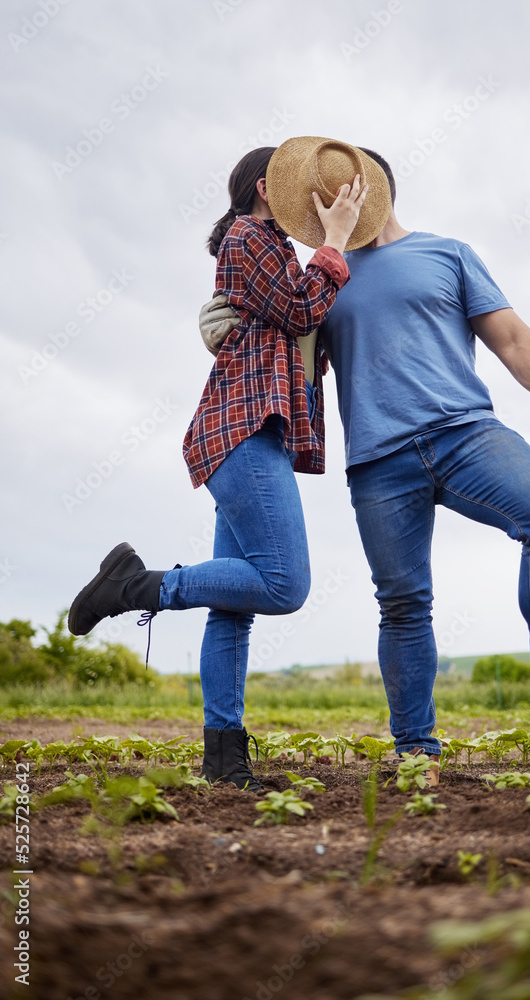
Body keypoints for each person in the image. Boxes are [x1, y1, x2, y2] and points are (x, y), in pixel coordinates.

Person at [200, 139, 530, 787]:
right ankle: (415, 750)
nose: (320, 209)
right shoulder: (321, 276)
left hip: (465, 434)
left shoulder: (446, 254)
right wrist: (235, 336)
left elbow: (511, 337)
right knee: (403, 604)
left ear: (368, 188)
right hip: (379, 463)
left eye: (333, 194)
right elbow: (294, 373)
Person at [67, 142, 389, 793]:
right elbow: (299, 309)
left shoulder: (275, 253)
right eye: (299, 189)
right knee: (284, 584)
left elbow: (300, 335)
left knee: (234, 607)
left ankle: (223, 761)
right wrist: (329, 246)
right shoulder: (249, 236)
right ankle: (135, 584)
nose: (310, 204)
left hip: (255, 432)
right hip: (242, 431)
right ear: (267, 188)